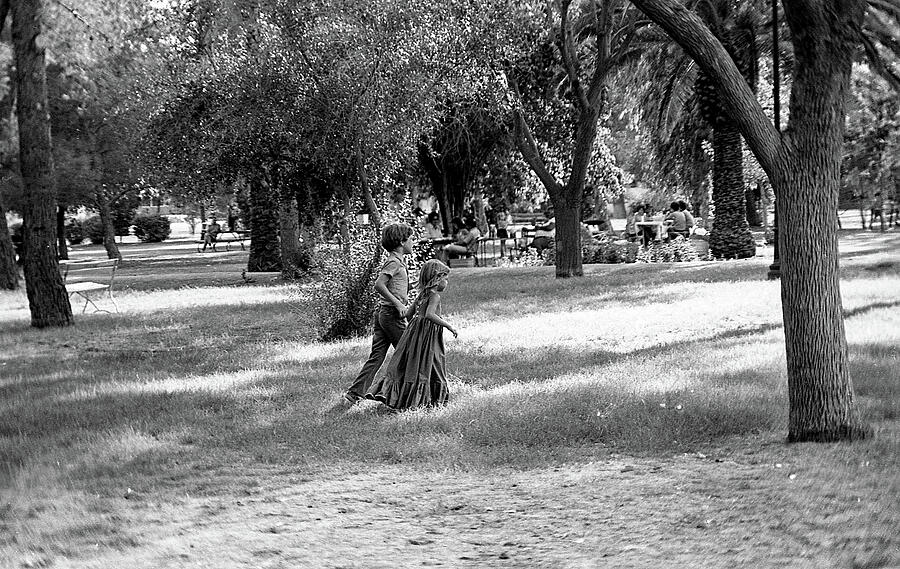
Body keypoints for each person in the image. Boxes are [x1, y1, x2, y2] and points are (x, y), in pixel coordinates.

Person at [365, 259, 457, 410]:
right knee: (432, 361)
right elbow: (429, 314)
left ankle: (408, 396)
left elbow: (408, 314)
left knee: (417, 363)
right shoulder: (434, 297)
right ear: (437, 279)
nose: (447, 282)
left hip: (415, 333)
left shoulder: (421, 295)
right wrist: (448, 325)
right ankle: (431, 398)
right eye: (445, 278)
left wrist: (415, 327)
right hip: (428, 336)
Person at [342, 223, 415, 405]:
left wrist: (415, 286)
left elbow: (395, 286)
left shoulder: (398, 263)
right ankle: (397, 395)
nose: (413, 242)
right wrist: (398, 303)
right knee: (408, 353)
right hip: (391, 315)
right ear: (401, 242)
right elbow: (379, 284)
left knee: (377, 356)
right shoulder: (394, 262)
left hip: (383, 314)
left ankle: (354, 393)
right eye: (411, 239)